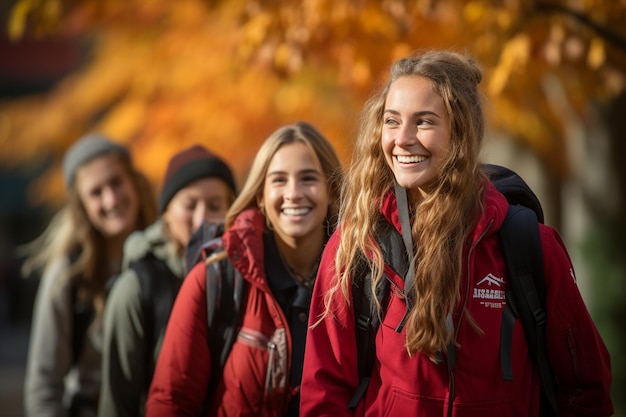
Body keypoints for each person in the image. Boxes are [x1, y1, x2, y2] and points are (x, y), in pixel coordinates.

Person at [300, 50, 614, 416]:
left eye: (424, 122)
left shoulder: (529, 247)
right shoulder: (358, 245)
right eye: (391, 120)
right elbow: (323, 392)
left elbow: (586, 390)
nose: (402, 138)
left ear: (460, 133)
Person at [145, 121, 343, 417]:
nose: (293, 193)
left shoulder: (360, 279)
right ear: (260, 196)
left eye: (308, 178)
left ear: (332, 191)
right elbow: (172, 400)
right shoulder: (215, 277)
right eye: (278, 180)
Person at [23, 133, 157, 417]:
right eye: (96, 192)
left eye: (117, 182)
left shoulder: (165, 256)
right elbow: (43, 386)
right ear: (81, 205)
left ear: (133, 181)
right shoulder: (68, 276)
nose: (111, 199)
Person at [98, 144, 238, 417]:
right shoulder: (136, 288)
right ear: (166, 214)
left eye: (215, 205)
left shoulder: (245, 281)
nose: (202, 219)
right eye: (189, 205)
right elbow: (117, 401)